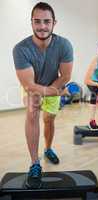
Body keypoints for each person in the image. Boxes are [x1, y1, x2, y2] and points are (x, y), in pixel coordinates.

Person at [13, 2, 73, 188]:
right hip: (35, 88)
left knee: (49, 120)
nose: (42, 26)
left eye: (46, 21)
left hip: (54, 84)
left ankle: (47, 149)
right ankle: (34, 163)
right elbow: (29, 85)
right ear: (31, 23)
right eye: (37, 21)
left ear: (54, 22)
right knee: (32, 113)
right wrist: (55, 92)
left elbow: (66, 76)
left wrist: (53, 90)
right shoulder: (20, 49)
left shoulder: (64, 45)